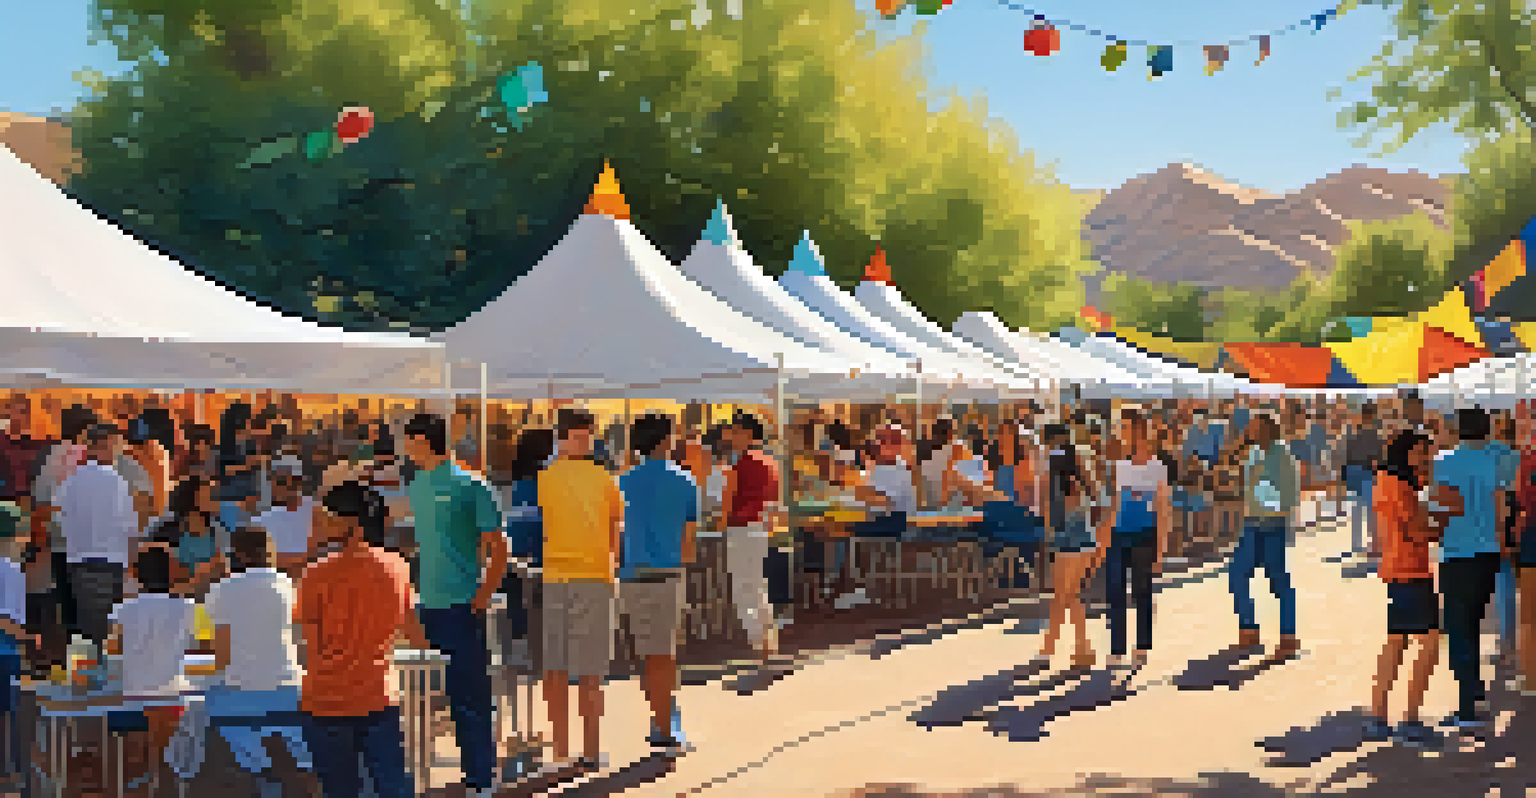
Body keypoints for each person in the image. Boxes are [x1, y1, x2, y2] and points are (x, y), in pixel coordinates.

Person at [401, 413, 508, 794]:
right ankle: (430, 778)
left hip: (462, 608)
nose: (404, 447)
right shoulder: (417, 485)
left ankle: (481, 779)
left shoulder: (472, 485)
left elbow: (499, 547)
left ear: (424, 441)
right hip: (426, 606)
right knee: (424, 699)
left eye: (408, 440)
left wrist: (481, 596)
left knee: (470, 698)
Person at [296, 480, 422, 798]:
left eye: (326, 516)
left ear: (350, 522)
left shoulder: (315, 574)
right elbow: (413, 632)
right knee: (393, 788)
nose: (320, 523)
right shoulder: (397, 567)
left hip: (326, 702)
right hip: (378, 696)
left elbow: (309, 645)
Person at [538, 408, 623, 770]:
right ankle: (589, 750)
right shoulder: (606, 479)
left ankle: (561, 751)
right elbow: (615, 529)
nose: (584, 439)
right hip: (593, 577)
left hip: (558, 575)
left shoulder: (546, 477)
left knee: (556, 668)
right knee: (589, 672)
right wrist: (613, 569)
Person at [1365, 430, 1459, 747]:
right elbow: (1419, 532)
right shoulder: (1402, 488)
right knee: (1430, 642)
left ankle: (1378, 717)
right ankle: (1410, 720)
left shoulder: (1387, 483)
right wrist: (1447, 517)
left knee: (1397, 642)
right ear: (1405, 454)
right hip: (1411, 570)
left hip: (1397, 569)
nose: (1426, 458)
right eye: (1421, 453)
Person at [203, 524, 311, 788]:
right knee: (300, 743)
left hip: (241, 694)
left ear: (235, 553)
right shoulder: (290, 586)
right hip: (290, 690)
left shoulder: (222, 589)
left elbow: (222, 655)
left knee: (207, 704)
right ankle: (305, 773)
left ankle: (259, 769)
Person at [618, 414, 698, 752]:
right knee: (663, 653)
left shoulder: (621, 481)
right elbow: (689, 542)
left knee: (645, 653)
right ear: (665, 440)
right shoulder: (684, 481)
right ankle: (664, 726)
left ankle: (661, 714)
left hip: (631, 573)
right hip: (667, 572)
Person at [1432, 407, 1511, 729]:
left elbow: (1441, 506)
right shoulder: (1492, 462)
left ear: (1459, 429)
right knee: (1474, 621)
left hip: (1456, 552)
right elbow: (1501, 507)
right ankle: (1474, 688)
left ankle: (1467, 706)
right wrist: (1501, 541)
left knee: (1457, 627)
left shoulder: (1443, 461)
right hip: (1488, 551)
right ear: (1486, 429)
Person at [106, 544, 196, 785]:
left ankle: (143, 773)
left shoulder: (123, 610)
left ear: (137, 575)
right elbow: (200, 643)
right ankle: (160, 772)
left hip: (132, 699)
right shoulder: (188, 608)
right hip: (172, 700)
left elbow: (112, 650)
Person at [1226, 413, 1301, 659]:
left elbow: (1290, 496)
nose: (1250, 431)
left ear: (1269, 429)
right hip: (1251, 524)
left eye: (1255, 427)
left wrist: (1266, 504)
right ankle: (1248, 629)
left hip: (1273, 525)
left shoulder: (1283, 457)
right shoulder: (1253, 454)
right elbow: (1249, 487)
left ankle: (1288, 637)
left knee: (1279, 581)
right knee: (1237, 574)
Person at [55, 423, 138, 645]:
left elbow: (60, 519)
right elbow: (129, 526)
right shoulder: (115, 480)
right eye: (115, 446)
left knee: (88, 627)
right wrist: (133, 565)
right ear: (104, 445)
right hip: (112, 559)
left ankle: (92, 671)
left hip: (77, 559)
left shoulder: (70, 480)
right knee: (112, 626)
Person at [1102, 408, 1170, 670]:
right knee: (1115, 591)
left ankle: (1141, 645)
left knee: (1142, 591)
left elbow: (1163, 509)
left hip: (1145, 535)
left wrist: (1161, 549)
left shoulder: (1157, 468)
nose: (1122, 432)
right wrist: (1105, 538)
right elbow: (1114, 505)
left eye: (1126, 427)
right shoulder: (1119, 466)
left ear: (1139, 432)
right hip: (1119, 535)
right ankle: (1117, 648)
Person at [721, 412, 783, 662]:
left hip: (741, 526)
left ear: (747, 433)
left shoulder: (741, 464)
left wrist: (720, 522)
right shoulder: (771, 463)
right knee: (758, 584)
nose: (731, 436)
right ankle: (768, 639)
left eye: (735, 431)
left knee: (744, 586)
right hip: (761, 526)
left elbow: (728, 501)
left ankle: (758, 642)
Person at [1038, 423, 1098, 669]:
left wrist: (1047, 532)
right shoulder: (1079, 463)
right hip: (1084, 533)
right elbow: (1096, 493)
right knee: (1070, 593)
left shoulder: (1050, 468)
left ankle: (1050, 646)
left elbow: (1046, 507)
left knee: (1062, 594)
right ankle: (1082, 646)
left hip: (1065, 533)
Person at [147, 476, 232, 599]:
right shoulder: (163, 531)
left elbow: (224, 575)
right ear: (192, 498)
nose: (217, 499)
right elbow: (158, 577)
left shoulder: (219, 532)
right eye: (210, 494)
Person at [250, 456, 319, 578]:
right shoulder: (260, 520)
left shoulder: (316, 510)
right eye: (277, 481)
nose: (279, 487)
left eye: (293, 481)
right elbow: (262, 560)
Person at [1344, 405, 1384, 558]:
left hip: (1357, 472)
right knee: (1368, 511)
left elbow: (1347, 454)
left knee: (1359, 510)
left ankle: (1359, 544)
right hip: (1365, 473)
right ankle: (1370, 543)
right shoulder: (1374, 435)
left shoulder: (1356, 433)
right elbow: (1379, 456)